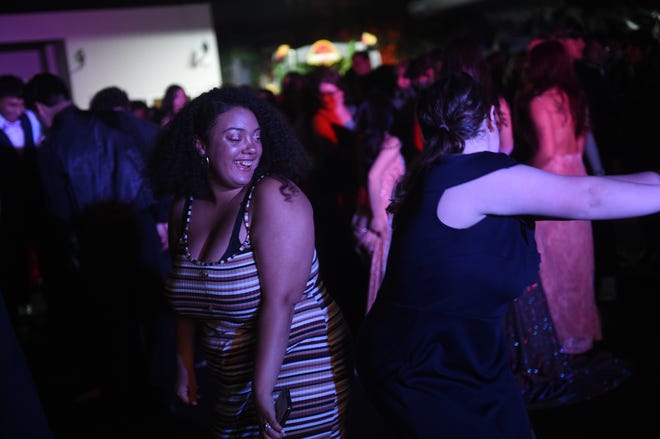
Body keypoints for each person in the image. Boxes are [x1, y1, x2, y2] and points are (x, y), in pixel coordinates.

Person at [355, 71, 660, 439]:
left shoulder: (444, 173)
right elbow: (591, 197)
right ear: (489, 120)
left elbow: (592, 188)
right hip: (424, 365)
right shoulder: (482, 178)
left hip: (462, 355)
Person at [149, 85, 352, 438]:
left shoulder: (275, 198)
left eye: (256, 137)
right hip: (229, 377)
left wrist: (262, 389)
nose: (251, 148)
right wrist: (185, 365)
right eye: (234, 137)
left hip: (297, 365)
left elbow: (282, 302)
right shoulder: (185, 208)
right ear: (201, 146)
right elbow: (186, 297)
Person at [24, 73, 160, 435]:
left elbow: (59, 211)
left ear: (39, 108)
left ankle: (129, 408)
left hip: (97, 248)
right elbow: (147, 178)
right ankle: (161, 397)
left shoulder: (52, 146)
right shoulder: (113, 123)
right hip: (138, 236)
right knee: (151, 324)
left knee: (115, 334)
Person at [513, 39, 600, 354]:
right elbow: (577, 146)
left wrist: (524, 176)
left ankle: (561, 336)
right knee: (578, 260)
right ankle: (581, 334)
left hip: (554, 183)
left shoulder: (540, 101)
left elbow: (547, 152)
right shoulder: (575, 97)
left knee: (553, 262)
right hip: (577, 175)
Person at [0, 74, 43, 325]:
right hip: (7, 203)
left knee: (42, 249)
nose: (18, 110)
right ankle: (20, 303)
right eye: (11, 105)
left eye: (20, 104)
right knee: (13, 256)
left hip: (34, 198)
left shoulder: (30, 119)